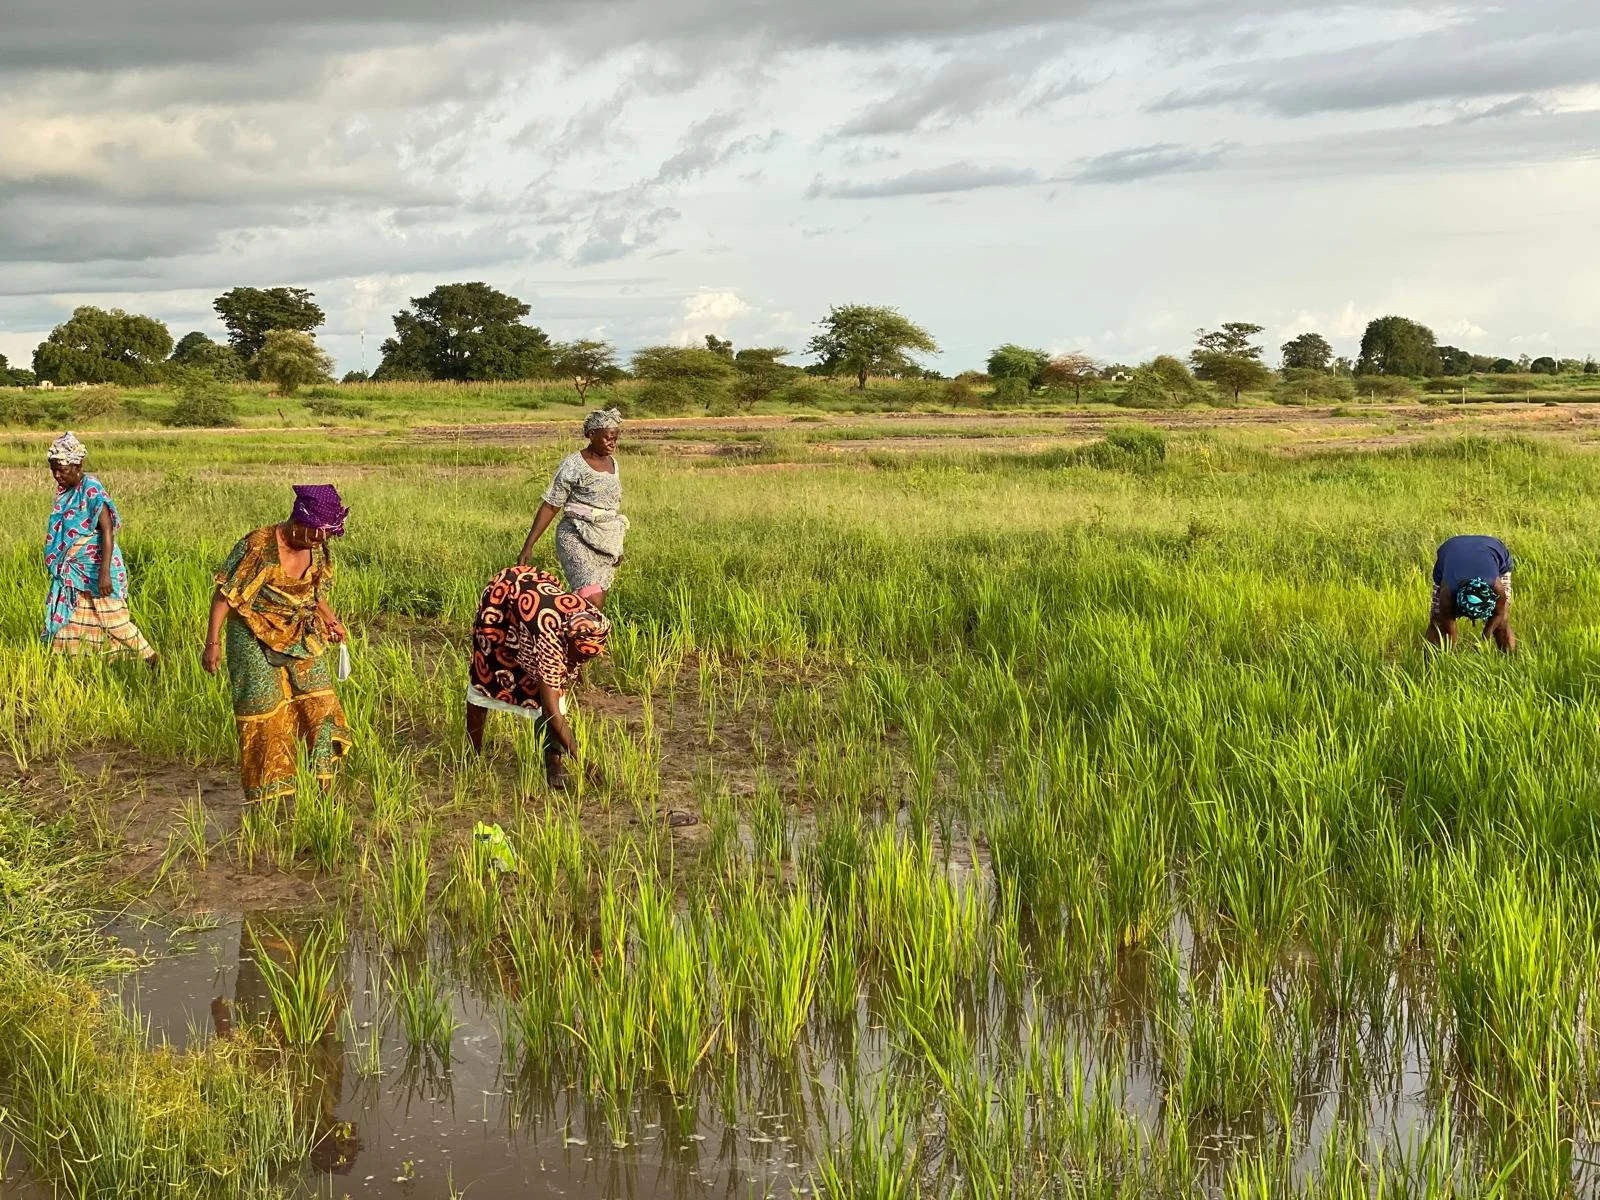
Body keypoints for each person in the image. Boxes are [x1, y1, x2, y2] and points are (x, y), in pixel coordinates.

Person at [202, 484, 352, 803]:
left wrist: (330, 618)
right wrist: (212, 642)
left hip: (299, 631)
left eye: (322, 536)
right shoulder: (259, 545)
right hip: (252, 633)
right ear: (297, 519)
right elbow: (225, 595)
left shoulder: (317, 543)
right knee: (266, 713)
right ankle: (271, 799)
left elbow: (314, 592)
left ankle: (325, 788)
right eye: (312, 534)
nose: (316, 541)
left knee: (320, 704)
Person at [466, 564, 611, 790]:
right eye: (575, 656)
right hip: (502, 601)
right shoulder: (550, 641)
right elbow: (552, 711)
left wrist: (574, 666)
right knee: (486, 678)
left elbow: (574, 658)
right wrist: (584, 763)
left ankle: (553, 763)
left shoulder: (593, 620)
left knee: (551, 689)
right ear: (567, 643)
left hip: (533, 596)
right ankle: (470, 757)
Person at [42, 432, 160, 668]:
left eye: (62, 470)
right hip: (75, 571)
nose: (57, 475)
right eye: (53, 470)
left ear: (78, 465)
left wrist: (104, 573)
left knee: (114, 618)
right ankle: (88, 664)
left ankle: (152, 660)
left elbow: (107, 532)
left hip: (97, 567)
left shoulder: (91, 489)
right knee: (76, 617)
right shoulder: (65, 492)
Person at [518, 408, 628, 608]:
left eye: (615, 439)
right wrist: (528, 545)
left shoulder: (613, 464)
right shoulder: (573, 465)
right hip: (575, 535)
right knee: (592, 598)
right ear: (591, 435)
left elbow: (611, 509)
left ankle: (569, 634)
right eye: (607, 438)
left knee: (593, 600)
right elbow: (551, 505)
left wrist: (615, 546)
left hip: (603, 539)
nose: (612, 444)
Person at [1426, 534, 1515, 653]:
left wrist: (1484, 639)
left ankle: (1511, 663)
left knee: (1501, 623)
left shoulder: (1496, 587)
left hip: (1493, 549)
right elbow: (1448, 629)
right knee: (1438, 622)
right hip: (1451, 549)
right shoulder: (1448, 592)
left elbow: (1498, 613)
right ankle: (1430, 666)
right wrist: (1446, 661)